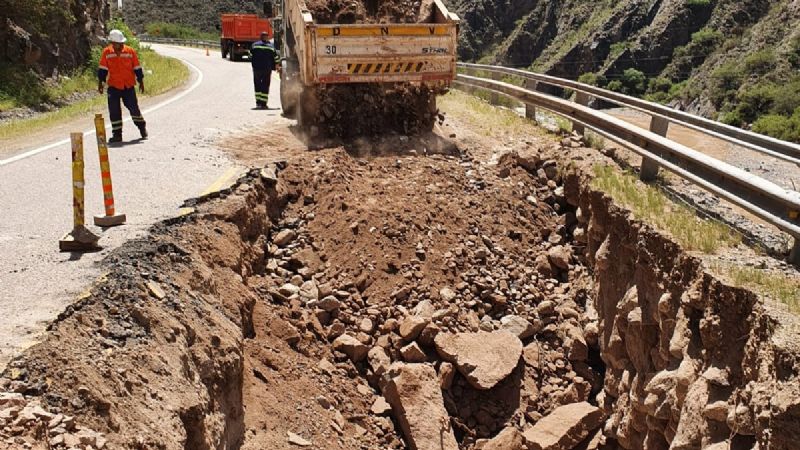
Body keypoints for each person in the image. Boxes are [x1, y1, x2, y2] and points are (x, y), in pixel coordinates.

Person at [98, 29, 147, 143]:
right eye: (117, 44)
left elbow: (137, 68)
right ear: (112, 43)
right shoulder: (107, 52)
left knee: (134, 109)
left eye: (121, 43)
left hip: (128, 86)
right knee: (114, 111)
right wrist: (101, 83)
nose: (119, 46)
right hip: (114, 86)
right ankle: (117, 134)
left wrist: (141, 81)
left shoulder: (130, 51)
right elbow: (103, 69)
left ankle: (141, 127)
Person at [250, 32, 280, 109]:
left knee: (257, 84)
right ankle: (263, 104)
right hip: (267, 69)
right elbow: (276, 57)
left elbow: (250, 55)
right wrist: (277, 65)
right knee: (265, 85)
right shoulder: (271, 46)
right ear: (267, 37)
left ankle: (258, 103)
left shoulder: (254, 45)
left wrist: (254, 62)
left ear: (260, 37)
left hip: (256, 68)